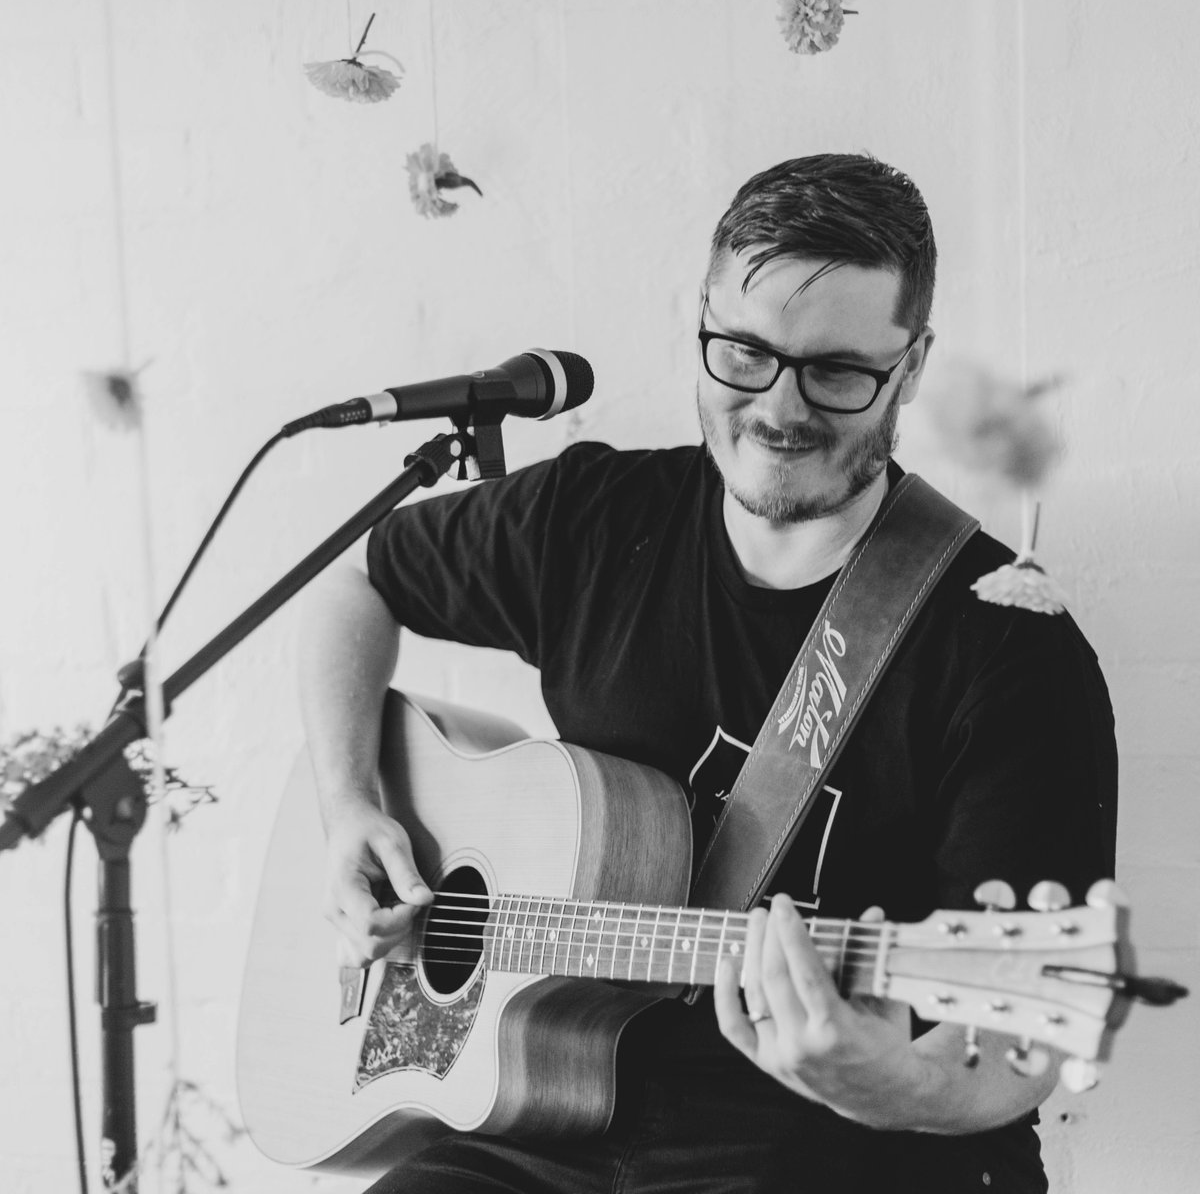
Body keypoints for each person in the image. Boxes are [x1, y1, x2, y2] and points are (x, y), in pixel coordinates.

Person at [298, 153, 1117, 1193]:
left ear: (911, 367)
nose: (780, 410)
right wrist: (347, 806)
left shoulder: (1009, 646)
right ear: (701, 324)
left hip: (832, 1149)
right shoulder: (593, 521)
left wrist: (895, 1084)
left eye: (838, 371)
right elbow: (354, 586)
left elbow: (1018, 1054)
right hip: (552, 1103)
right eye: (745, 353)